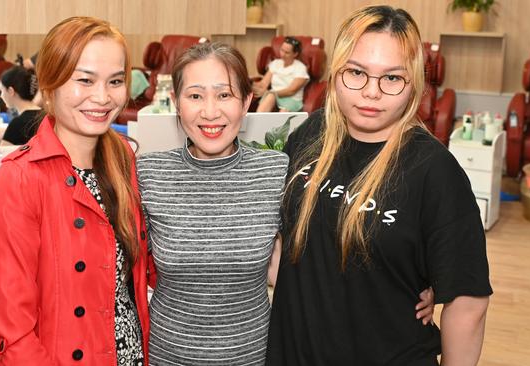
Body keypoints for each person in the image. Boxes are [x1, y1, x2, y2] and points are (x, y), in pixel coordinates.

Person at [137, 42, 434, 364]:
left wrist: (407, 287)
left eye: (225, 95)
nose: (210, 111)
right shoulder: (149, 173)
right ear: (176, 102)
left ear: (247, 101)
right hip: (167, 354)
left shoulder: (277, 171)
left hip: (255, 355)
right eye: (195, 96)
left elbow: (329, 245)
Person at [266, 5, 492, 366]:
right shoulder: (310, 134)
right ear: (336, 72)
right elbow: (286, 242)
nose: (371, 92)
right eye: (356, 72)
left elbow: (469, 303)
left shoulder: (435, 171)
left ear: (413, 83)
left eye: (391, 78)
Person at [0, 16, 150, 365]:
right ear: (49, 83)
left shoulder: (123, 159)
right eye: (84, 80)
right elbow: (13, 333)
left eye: (115, 81)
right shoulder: (21, 178)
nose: (102, 97)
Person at [253, 36, 309, 113]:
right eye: (282, 50)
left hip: (291, 99)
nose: (282, 54)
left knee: (283, 111)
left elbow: (291, 91)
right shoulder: (275, 63)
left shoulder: (300, 68)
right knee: (270, 97)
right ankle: (258, 121)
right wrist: (251, 84)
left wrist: (269, 92)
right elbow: (264, 83)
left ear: (295, 54)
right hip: (274, 96)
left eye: (287, 52)